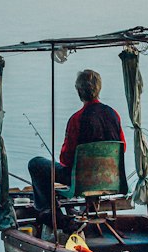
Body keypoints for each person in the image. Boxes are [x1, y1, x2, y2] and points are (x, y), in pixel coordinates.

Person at [28, 69, 126, 217]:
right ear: (99, 89)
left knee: (36, 164)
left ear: (79, 91)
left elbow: (65, 160)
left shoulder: (77, 119)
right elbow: (122, 148)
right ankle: (88, 210)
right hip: (110, 179)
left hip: (80, 181)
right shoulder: (114, 114)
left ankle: (50, 214)